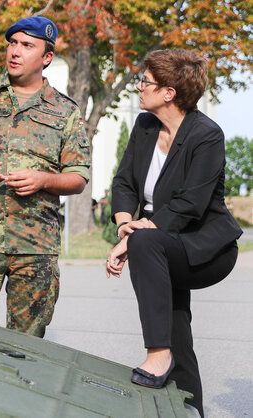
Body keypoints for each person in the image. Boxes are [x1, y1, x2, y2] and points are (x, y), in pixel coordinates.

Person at [106, 49, 241, 415]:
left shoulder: (207, 135)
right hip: (159, 241)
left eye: (145, 81)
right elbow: (124, 184)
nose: (139, 86)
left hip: (205, 248)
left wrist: (136, 239)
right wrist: (123, 226)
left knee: (147, 243)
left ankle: (156, 355)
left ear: (169, 92)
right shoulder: (145, 126)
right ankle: (190, 409)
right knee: (176, 323)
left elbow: (189, 205)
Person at [0, 16, 90, 337]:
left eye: (26, 45)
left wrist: (44, 180)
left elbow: (77, 178)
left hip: (36, 246)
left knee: (26, 345)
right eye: (12, 43)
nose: (15, 51)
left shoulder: (65, 111)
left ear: (46, 57)